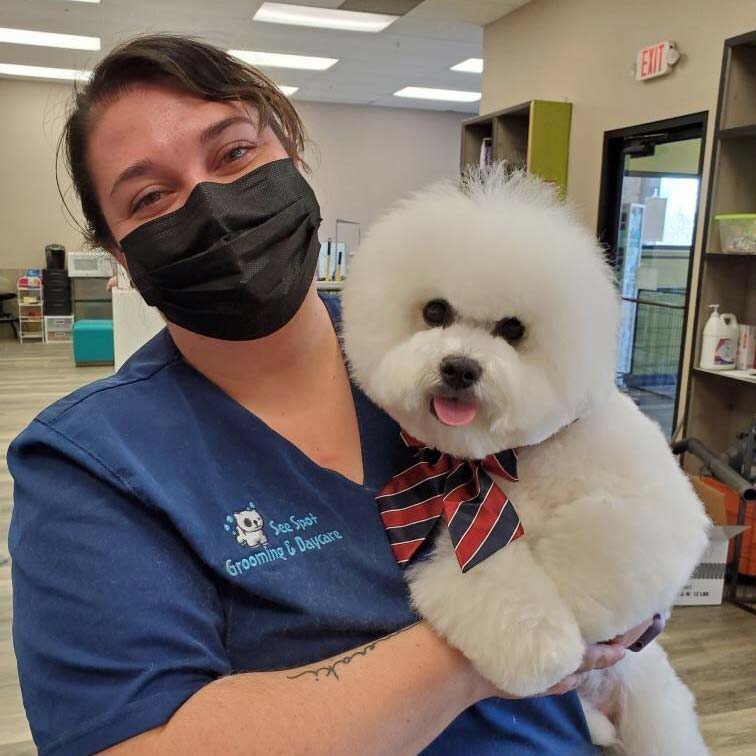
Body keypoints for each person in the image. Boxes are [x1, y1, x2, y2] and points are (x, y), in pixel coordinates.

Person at [8, 35, 654, 756]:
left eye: (234, 154)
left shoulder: (436, 336)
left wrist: (624, 587)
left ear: (294, 153)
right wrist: (490, 642)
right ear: (120, 253)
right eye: (150, 196)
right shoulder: (94, 466)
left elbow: (618, 498)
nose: (215, 209)